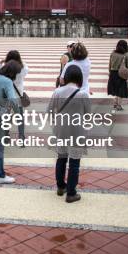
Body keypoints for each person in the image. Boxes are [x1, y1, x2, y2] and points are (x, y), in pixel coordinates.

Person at [48, 65, 90, 203]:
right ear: (79, 78)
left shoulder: (58, 91)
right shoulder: (83, 94)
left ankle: (61, 187)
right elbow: (88, 115)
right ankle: (71, 193)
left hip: (60, 130)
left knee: (61, 158)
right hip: (76, 130)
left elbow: (49, 111)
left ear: (66, 78)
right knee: (74, 162)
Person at [0, 50, 29, 140]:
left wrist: (0, 63)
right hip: (18, 97)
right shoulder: (22, 69)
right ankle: (21, 138)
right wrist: (21, 61)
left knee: (6, 117)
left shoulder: (4, 69)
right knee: (20, 118)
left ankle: (6, 137)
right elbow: (27, 68)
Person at [108, 40, 128, 111]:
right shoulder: (126, 54)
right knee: (121, 90)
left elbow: (110, 64)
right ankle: (119, 105)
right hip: (121, 74)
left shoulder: (113, 53)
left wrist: (110, 72)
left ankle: (115, 103)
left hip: (113, 73)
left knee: (115, 89)